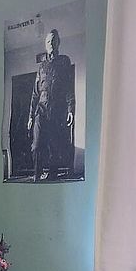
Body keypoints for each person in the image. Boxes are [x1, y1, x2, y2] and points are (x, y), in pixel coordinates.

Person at [27, 29, 75, 180]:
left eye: (53, 40)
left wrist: (71, 109)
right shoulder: (41, 67)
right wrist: (30, 116)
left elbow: (69, 87)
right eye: (48, 41)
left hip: (57, 110)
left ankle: (52, 175)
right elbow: (35, 93)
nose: (51, 43)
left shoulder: (64, 61)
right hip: (41, 110)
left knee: (54, 145)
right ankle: (37, 174)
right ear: (45, 45)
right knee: (36, 145)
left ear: (58, 42)